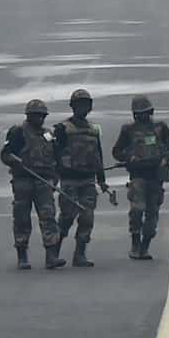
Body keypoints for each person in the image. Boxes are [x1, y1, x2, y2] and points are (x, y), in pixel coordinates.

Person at [0, 99, 66, 270]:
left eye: (42, 116)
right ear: (29, 116)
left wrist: (55, 176)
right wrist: (16, 162)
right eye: (36, 115)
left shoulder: (48, 134)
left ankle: (51, 256)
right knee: (22, 217)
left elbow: (57, 157)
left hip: (44, 181)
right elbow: (5, 155)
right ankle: (22, 254)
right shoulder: (18, 132)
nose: (40, 119)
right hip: (23, 181)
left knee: (48, 217)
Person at [112, 94, 169, 260]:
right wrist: (129, 158)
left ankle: (145, 246)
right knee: (137, 209)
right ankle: (135, 242)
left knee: (152, 214)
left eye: (145, 112)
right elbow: (117, 152)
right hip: (138, 176)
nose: (143, 116)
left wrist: (165, 159)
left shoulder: (161, 128)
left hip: (156, 177)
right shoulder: (128, 130)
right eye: (139, 113)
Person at [53, 89, 112, 267]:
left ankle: (80, 254)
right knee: (66, 218)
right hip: (69, 180)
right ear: (72, 106)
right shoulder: (62, 128)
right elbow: (54, 153)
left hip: (88, 180)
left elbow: (98, 156)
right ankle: (53, 252)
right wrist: (54, 177)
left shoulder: (94, 129)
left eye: (86, 105)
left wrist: (101, 180)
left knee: (87, 218)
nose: (83, 108)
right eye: (79, 104)